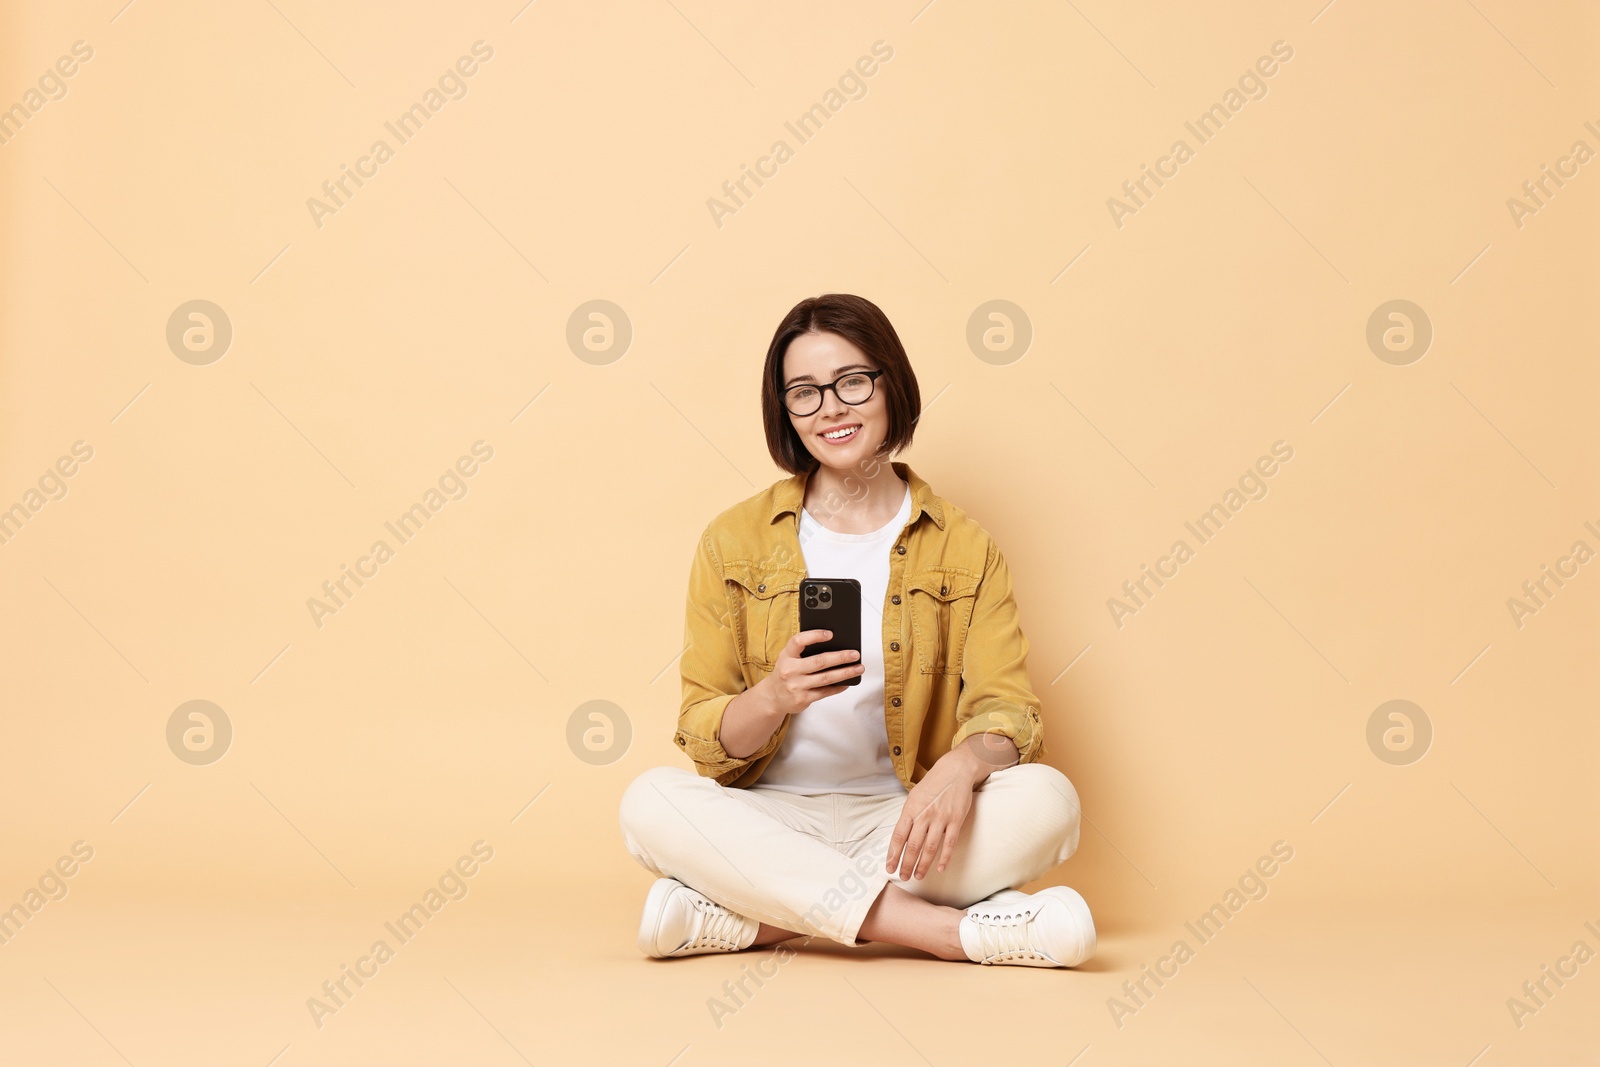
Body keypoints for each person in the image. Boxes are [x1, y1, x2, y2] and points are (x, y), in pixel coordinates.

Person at [617, 293, 1094, 967]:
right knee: (649, 801)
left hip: (906, 823)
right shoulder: (732, 541)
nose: (831, 408)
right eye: (804, 393)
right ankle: (950, 933)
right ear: (784, 411)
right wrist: (774, 695)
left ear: (889, 384)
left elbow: (1006, 709)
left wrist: (962, 765)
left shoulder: (965, 546)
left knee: (1051, 798)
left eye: (851, 381)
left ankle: (756, 917)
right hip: (770, 817)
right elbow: (705, 735)